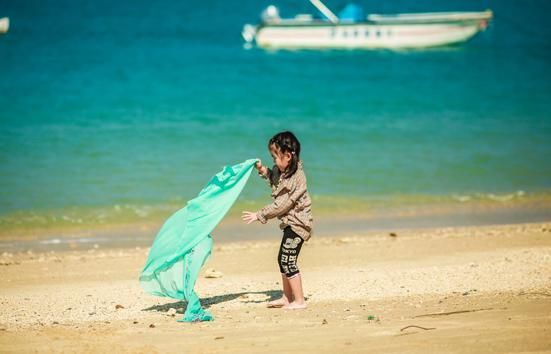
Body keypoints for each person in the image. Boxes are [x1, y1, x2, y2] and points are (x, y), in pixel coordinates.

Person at [242, 131, 313, 310]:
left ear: (288, 156)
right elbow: (274, 178)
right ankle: (286, 297)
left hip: (299, 224)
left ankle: (299, 301)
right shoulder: (284, 172)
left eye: (275, 157)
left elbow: (282, 205)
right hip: (290, 224)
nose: (274, 162)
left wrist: (260, 215)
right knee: (282, 259)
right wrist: (261, 169)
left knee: (288, 260)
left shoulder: (297, 178)